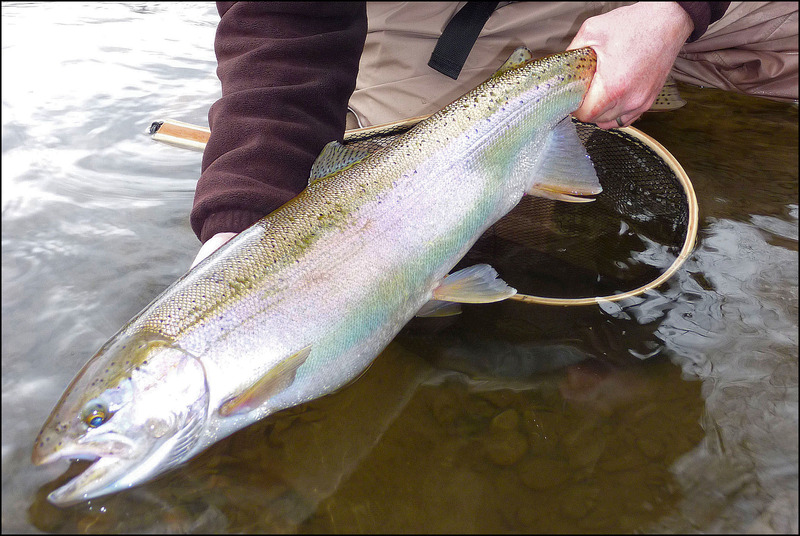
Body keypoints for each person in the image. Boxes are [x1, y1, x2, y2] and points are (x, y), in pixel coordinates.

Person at [191, 2, 796, 267]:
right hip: (446, 15)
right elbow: (284, 31)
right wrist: (245, 213)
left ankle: (648, 82)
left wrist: (676, 10)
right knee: (430, 232)